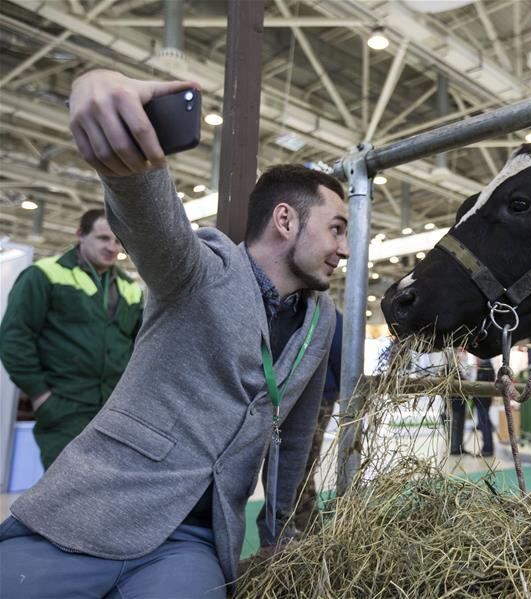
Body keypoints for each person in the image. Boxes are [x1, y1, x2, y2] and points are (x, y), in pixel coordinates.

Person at [0, 69, 349, 598]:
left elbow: (295, 440)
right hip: (95, 507)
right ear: (285, 220)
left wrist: (281, 544)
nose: (344, 248)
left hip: (193, 543)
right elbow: (151, 222)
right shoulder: (201, 270)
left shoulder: (321, 321)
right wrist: (112, 116)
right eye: (336, 228)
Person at [0, 208, 143, 469]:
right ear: (80, 234)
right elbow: (14, 337)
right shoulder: (44, 275)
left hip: (114, 410)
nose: (112, 247)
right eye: (103, 238)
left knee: (110, 487)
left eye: (117, 241)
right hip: (64, 407)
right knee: (66, 487)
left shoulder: (130, 289)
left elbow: (140, 348)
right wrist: (40, 394)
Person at [284, 309, 342, 535]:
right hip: (290, 398)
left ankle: (309, 532)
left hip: (318, 399)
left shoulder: (329, 316)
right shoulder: (297, 310)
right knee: (293, 467)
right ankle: (300, 529)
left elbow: (341, 358)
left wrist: (337, 391)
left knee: (302, 468)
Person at [448, 350, 495, 458]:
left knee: (483, 420)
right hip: (460, 399)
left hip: (479, 398)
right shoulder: (456, 363)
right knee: (459, 421)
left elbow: (474, 380)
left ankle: (487, 449)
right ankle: (456, 448)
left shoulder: (484, 367)